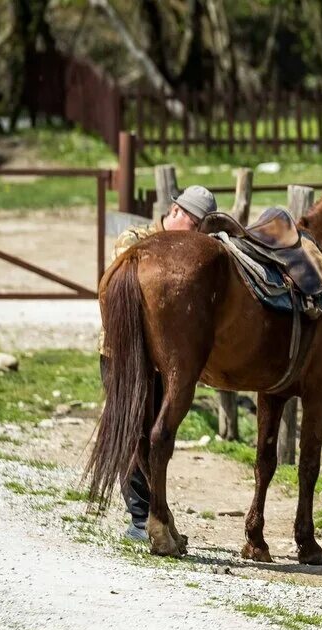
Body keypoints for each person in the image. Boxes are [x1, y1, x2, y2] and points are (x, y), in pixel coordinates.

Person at [104, 186, 217, 541]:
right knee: (133, 429)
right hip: (120, 352)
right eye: (195, 223)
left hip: (157, 358)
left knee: (156, 429)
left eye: (203, 228)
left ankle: (153, 512)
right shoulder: (135, 240)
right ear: (175, 211)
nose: (197, 233)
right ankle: (139, 516)